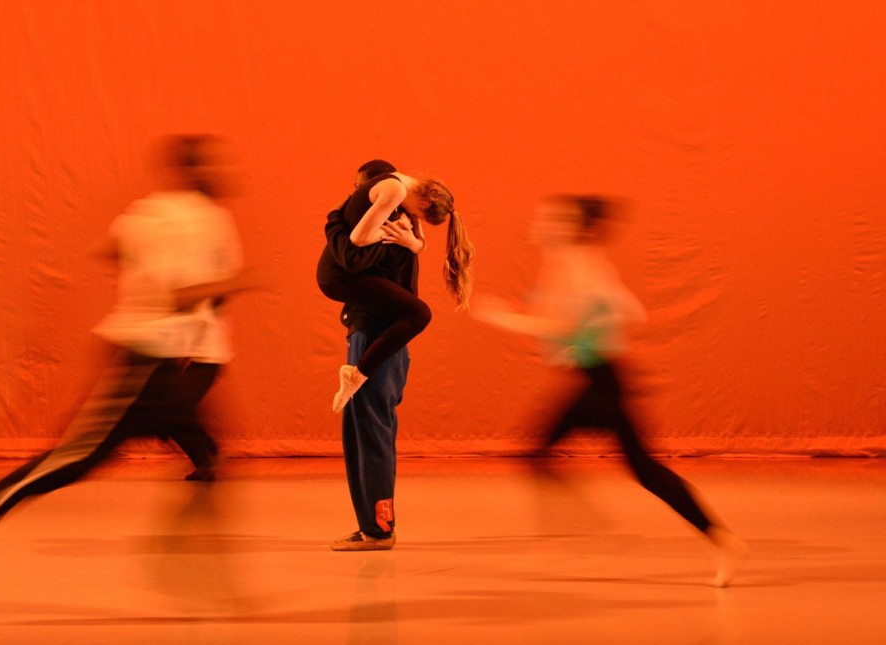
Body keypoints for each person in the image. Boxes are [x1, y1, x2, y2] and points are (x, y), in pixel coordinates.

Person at [0, 134, 257, 562]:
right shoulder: (200, 219)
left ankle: (206, 572)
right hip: (145, 359)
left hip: (158, 358)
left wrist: (140, 283)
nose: (224, 173)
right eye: (214, 165)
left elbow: (108, 249)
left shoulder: (149, 210)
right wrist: (241, 281)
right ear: (197, 171)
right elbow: (182, 295)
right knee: (79, 457)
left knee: (205, 448)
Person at [472, 195, 745, 586]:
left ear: (572, 227)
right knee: (585, 461)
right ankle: (715, 538)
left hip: (602, 380)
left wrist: (502, 317)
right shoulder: (572, 264)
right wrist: (597, 324)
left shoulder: (580, 268)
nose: (541, 223)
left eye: (552, 219)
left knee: (630, 468)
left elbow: (559, 326)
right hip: (596, 377)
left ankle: (717, 539)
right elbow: (630, 310)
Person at [315, 164, 473, 551]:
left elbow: (352, 259)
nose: (357, 194)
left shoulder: (392, 220)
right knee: (363, 431)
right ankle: (372, 525)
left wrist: (333, 220)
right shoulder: (404, 227)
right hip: (377, 338)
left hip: (375, 339)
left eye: (359, 187)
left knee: (370, 432)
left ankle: (379, 529)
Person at [317, 169, 474, 413]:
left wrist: (411, 241)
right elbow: (358, 239)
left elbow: (418, 241)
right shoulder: (395, 190)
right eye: (417, 215)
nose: (412, 219)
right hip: (340, 277)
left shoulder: (403, 186)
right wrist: (392, 231)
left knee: (414, 312)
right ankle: (356, 376)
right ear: (423, 202)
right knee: (419, 314)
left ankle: (356, 376)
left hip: (346, 274)